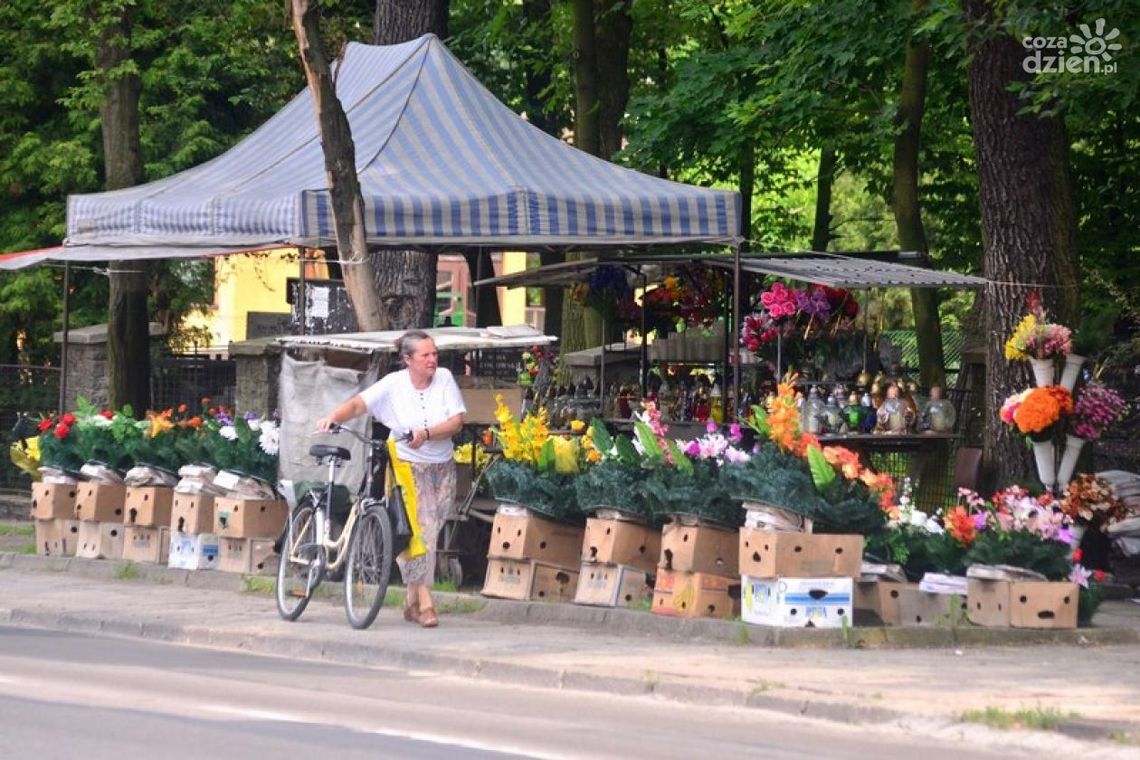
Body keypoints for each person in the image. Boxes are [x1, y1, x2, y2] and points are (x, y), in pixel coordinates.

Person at [316, 330, 466, 628]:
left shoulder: (445, 378)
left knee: (429, 533)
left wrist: (426, 435)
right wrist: (334, 416)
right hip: (406, 466)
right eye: (426, 355)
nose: (432, 360)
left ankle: (410, 602)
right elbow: (359, 404)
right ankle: (425, 603)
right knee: (418, 533)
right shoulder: (394, 384)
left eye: (434, 353)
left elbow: (456, 422)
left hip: (441, 467)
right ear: (408, 360)